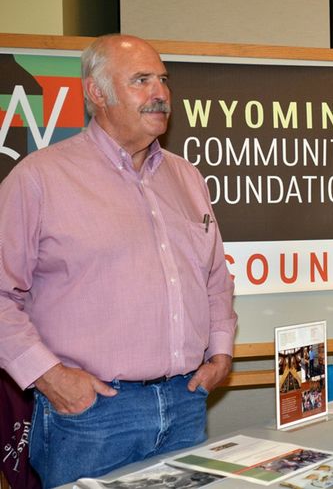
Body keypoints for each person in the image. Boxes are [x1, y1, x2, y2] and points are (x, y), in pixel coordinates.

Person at [0, 34, 237, 488]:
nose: (160, 93)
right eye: (141, 80)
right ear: (97, 92)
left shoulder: (186, 177)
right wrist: (51, 379)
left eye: (163, 80)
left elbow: (214, 277)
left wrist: (221, 350)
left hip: (186, 402)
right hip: (92, 415)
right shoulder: (40, 178)